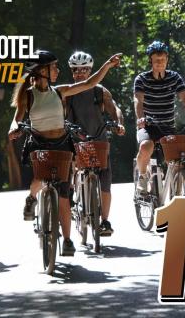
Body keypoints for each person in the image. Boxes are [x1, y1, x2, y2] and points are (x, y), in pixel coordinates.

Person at [9, 50, 122, 256]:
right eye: (53, 67)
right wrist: (13, 129)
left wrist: (106, 65)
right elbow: (17, 117)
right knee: (38, 179)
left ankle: (68, 240)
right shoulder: (28, 95)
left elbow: (88, 84)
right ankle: (31, 199)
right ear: (42, 71)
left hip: (61, 143)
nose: (58, 70)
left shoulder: (60, 91)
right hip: (38, 143)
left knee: (63, 194)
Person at [65, 51, 126, 236]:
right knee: (69, 168)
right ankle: (70, 195)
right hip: (76, 140)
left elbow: (115, 109)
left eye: (84, 69)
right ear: (72, 72)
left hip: (99, 140)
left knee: (105, 182)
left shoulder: (100, 91)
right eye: (76, 70)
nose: (80, 73)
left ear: (91, 70)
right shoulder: (68, 93)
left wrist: (119, 123)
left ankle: (105, 221)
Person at [133, 41, 185, 194]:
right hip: (148, 126)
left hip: (168, 126)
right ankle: (142, 177)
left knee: (177, 161)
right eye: (156, 59)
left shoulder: (174, 77)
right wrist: (141, 118)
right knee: (146, 145)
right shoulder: (142, 79)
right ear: (150, 61)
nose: (160, 62)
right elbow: (138, 101)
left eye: (163, 59)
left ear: (167, 59)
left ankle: (176, 197)